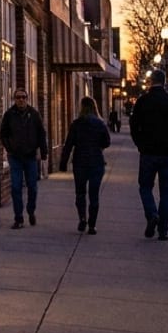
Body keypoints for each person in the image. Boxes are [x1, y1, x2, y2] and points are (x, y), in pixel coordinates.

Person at [129, 68, 168, 241]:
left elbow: (134, 126)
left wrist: (140, 144)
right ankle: (163, 231)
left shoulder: (142, 102)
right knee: (166, 193)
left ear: (150, 81)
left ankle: (152, 214)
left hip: (148, 153)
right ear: (164, 81)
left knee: (145, 187)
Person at [60, 97, 111, 235]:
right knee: (94, 195)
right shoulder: (100, 124)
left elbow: (68, 145)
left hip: (80, 162)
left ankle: (82, 218)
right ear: (95, 107)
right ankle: (92, 225)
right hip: (96, 162)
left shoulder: (76, 124)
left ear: (81, 107)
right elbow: (107, 142)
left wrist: (63, 163)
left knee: (80, 193)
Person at [0, 87, 47, 228]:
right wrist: (9, 147)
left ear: (27, 99)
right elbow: (3, 133)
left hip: (30, 156)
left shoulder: (34, 114)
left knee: (32, 187)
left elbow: (41, 134)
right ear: (14, 99)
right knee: (16, 187)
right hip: (15, 157)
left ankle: (31, 210)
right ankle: (18, 217)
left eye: (23, 97)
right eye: (18, 97)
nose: (21, 100)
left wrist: (43, 152)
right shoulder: (9, 115)